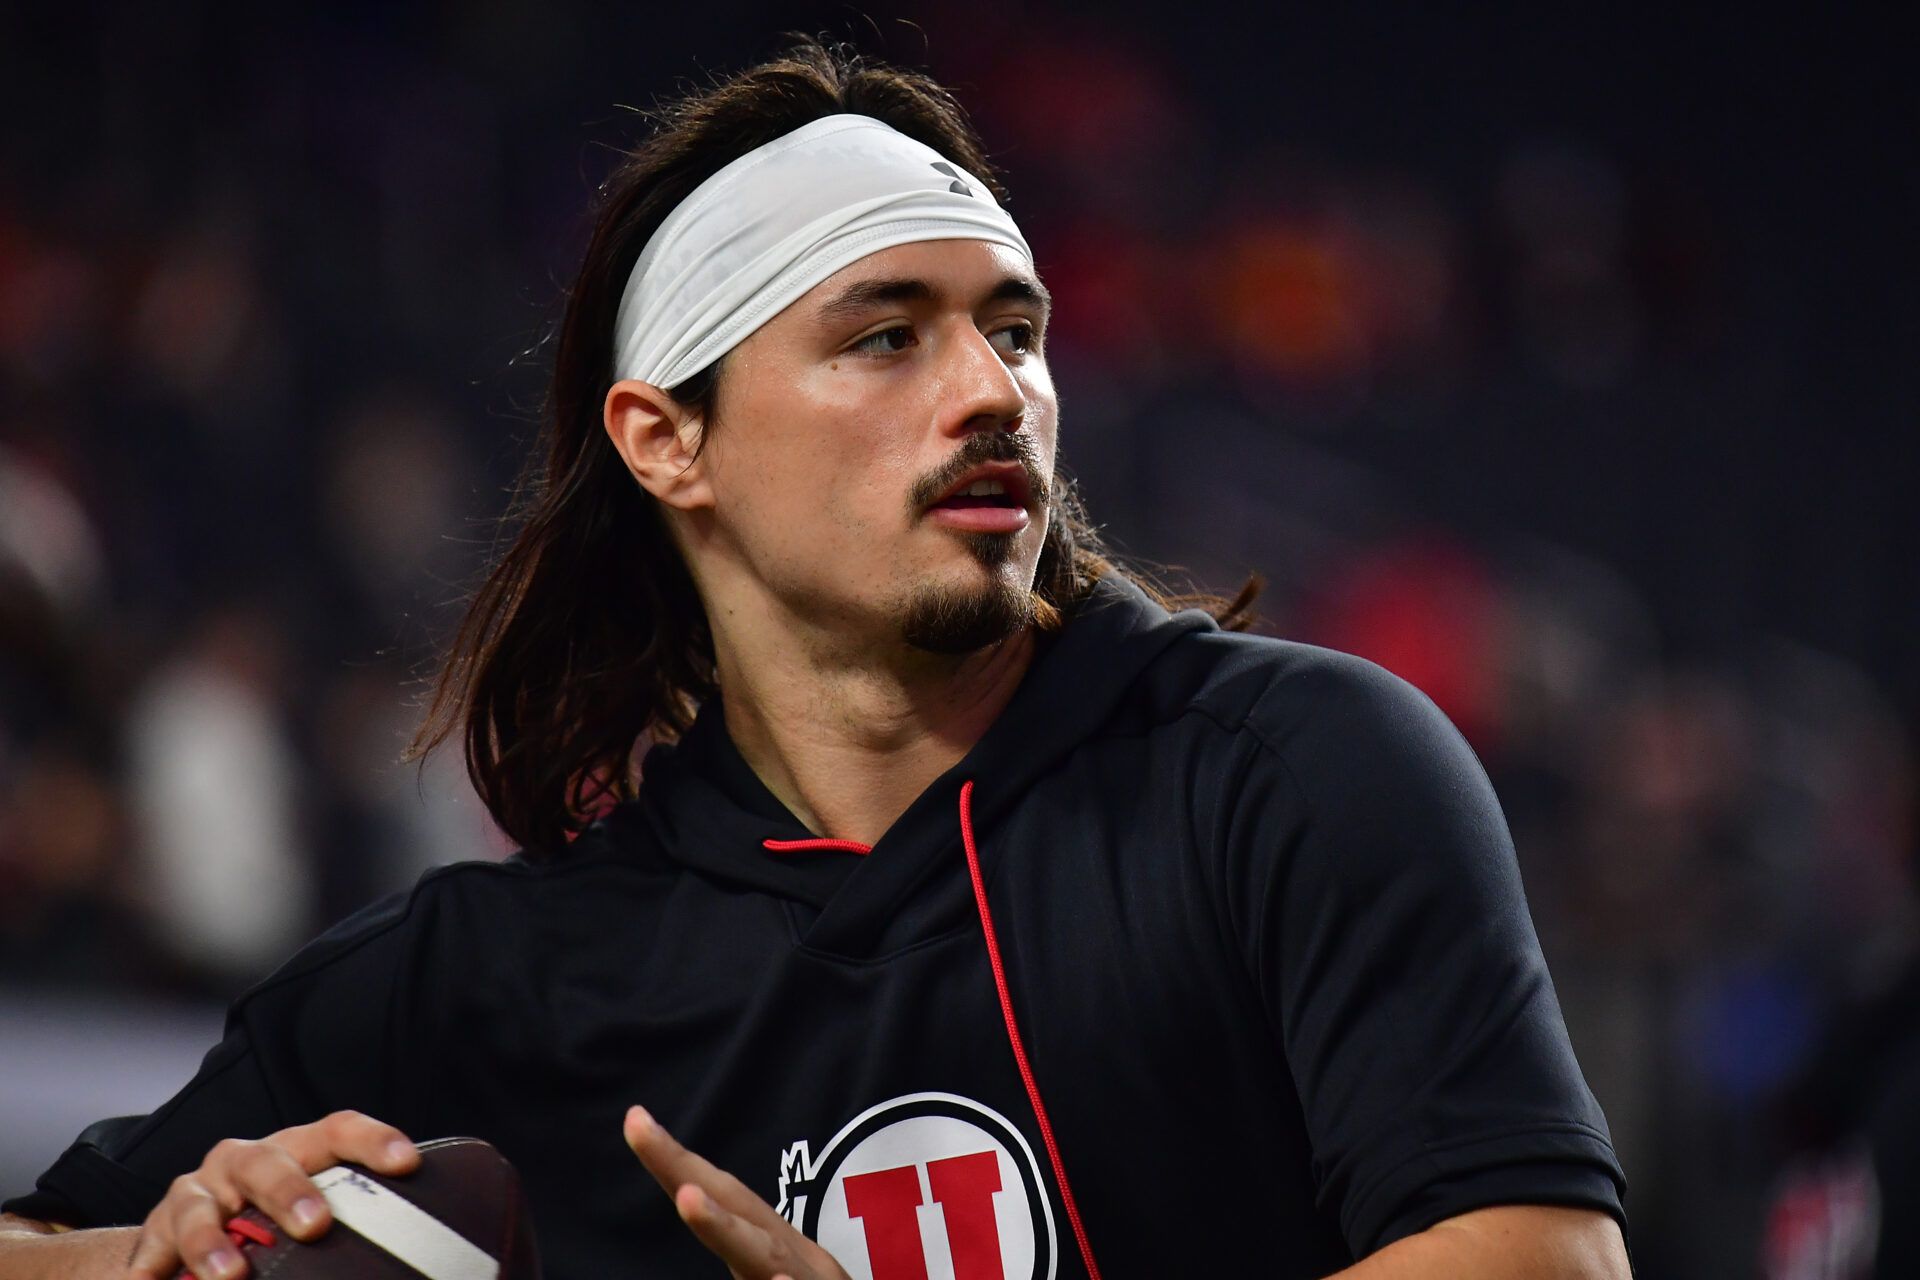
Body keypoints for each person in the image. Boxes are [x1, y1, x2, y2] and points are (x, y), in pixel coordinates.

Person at [0, 38, 1633, 1280]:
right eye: (883, 335)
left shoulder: (1298, 774)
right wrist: (142, 1251)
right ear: (668, 442)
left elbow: (1540, 1257)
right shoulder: (487, 980)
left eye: (1014, 326)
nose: (996, 391)